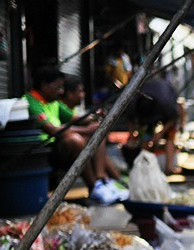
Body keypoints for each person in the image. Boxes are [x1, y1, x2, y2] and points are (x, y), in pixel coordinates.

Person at [23, 65, 128, 205]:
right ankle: (94, 186)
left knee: (96, 134)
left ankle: (101, 181)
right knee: (75, 140)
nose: (61, 92)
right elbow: (53, 131)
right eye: (58, 87)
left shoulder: (54, 102)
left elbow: (76, 119)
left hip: (58, 147)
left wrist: (94, 118)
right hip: (43, 151)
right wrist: (86, 130)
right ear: (44, 85)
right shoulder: (31, 101)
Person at [124, 74, 183, 174]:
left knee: (170, 135)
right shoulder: (133, 103)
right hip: (146, 113)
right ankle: (144, 164)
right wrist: (132, 134)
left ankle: (169, 167)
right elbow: (129, 120)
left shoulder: (166, 104)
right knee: (145, 137)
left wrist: (160, 133)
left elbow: (173, 119)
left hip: (166, 98)